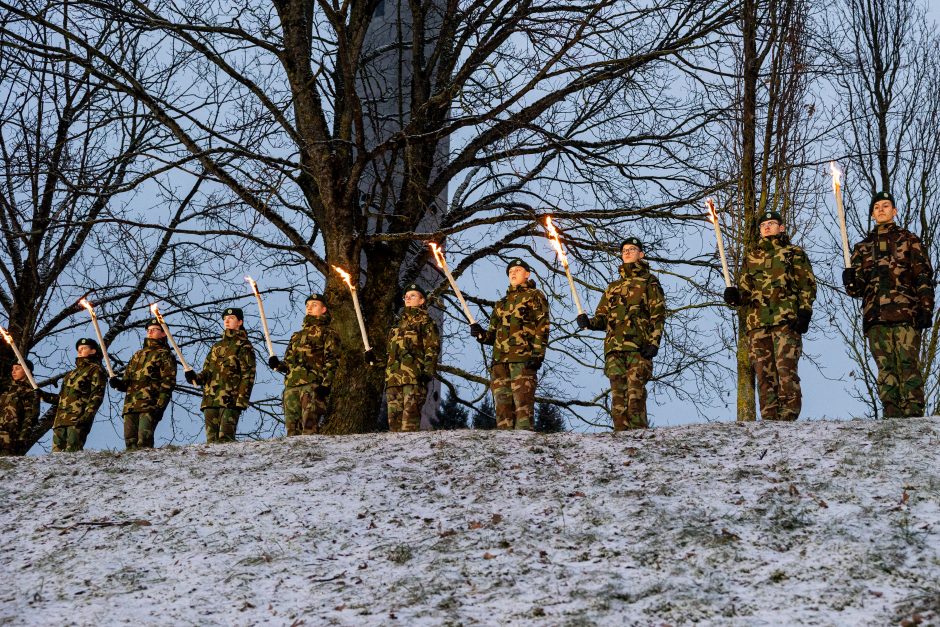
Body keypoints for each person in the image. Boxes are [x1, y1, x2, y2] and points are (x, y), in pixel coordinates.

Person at [843, 191, 935, 418]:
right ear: (873, 214)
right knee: (886, 367)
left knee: (908, 363)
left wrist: (926, 308)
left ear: (894, 211)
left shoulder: (909, 240)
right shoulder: (862, 247)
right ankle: (891, 413)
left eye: (886, 206)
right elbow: (856, 290)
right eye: (877, 207)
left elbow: (923, 276)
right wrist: (849, 279)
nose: (881, 209)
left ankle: (913, 413)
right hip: (876, 316)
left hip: (906, 313)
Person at [724, 210, 816, 421]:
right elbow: (745, 291)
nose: (767, 227)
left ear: (781, 228)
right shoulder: (752, 257)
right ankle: (769, 419)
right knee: (764, 376)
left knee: (785, 370)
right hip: (758, 323)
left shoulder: (794, 253)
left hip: (786, 321)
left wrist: (805, 311)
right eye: (763, 224)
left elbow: (807, 284)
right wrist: (734, 296)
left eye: (772, 223)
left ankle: (788, 416)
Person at [577, 237, 666, 430]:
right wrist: (588, 323)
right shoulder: (612, 288)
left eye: (632, 249)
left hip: (638, 348)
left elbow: (657, 315)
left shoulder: (649, 282)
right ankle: (621, 443)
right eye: (624, 249)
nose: (627, 252)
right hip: (614, 349)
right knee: (618, 399)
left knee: (635, 396)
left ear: (641, 254)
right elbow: (601, 319)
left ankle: (638, 439)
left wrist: (654, 342)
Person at [470, 259, 549, 430]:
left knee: (522, 404)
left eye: (518, 270)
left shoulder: (535, 296)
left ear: (527, 274)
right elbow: (491, 336)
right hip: (499, 361)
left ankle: (523, 446)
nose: (513, 273)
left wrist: (538, 354)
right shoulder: (501, 303)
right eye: (510, 271)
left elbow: (542, 326)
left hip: (522, 358)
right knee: (502, 407)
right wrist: (480, 334)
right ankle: (505, 448)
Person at [269, 294, 340, 436]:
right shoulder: (296, 336)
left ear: (324, 309)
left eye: (314, 304)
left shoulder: (328, 332)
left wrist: (326, 385)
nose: (309, 307)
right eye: (307, 305)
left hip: (312, 385)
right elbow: (288, 363)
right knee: (292, 430)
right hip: (292, 385)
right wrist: (277, 365)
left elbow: (332, 360)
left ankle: (311, 456)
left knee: (309, 428)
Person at [184, 307, 256, 443]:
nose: (227, 321)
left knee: (225, 440)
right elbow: (207, 372)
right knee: (211, 441)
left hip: (230, 399)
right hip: (210, 399)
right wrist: (194, 377)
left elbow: (248, 374)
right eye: (225, 319)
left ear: (240, 321)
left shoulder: (243, 345)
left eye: (231, 318)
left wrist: (241, 400)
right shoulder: (216, 346)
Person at [110, 319, 177, 450]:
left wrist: (160, 406)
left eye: (154, 329)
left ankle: (146, 465)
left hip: (150, 404)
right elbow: (126, 382)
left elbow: (168, 382)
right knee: (130, 440)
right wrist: (117, 383)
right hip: (131, 405)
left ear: (163, 334)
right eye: (148, 330)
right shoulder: (137, 355)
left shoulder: (164, 355)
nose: (150, 332)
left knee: (144, 440)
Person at [385, 284, 440, 432]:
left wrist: (427, 372)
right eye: (406, 296)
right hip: (393, 379)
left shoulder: (426, 322)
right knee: (394, 425)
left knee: (409, 424)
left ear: (422, 300)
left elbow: (432, 349)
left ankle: (409, 454)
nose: (408, 298)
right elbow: (389, 353)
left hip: (414, 378)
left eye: (413, 295)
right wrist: (373, 358)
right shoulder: (396, 325)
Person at [52, 338, 107, 452]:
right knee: (55, 457)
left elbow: (96, 395)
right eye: (78, 349)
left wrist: (87, 416)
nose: (80, 351)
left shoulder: (95, 370)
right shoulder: (70, 374)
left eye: (84, 348)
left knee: (72, 452)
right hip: (61, 421)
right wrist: (42, 395)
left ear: (93, 351)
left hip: (78, 418)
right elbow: (60, 398)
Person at [0, 359, 41, 455]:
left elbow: (30, 417)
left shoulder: (30, 392)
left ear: (27, 371)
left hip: (10, 440)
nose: (13, 372)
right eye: (12, 369)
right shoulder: (6, 391)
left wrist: (22, 439)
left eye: (17, 368)